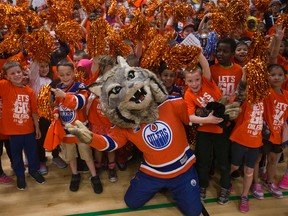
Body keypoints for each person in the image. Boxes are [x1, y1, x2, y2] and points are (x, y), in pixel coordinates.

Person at [66, 57, 202, 216]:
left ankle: (177, 187)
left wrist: (215, 111)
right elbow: (111, 143)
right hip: (154, 172)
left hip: (182, 169)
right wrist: (91, 138)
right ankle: (157, 185)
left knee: (194, 212)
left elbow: (193, 118)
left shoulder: (172, 103)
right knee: (131, 202)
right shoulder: (125, 124)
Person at [184, 53, 231, 205]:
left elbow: (204, 65)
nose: (194, 83)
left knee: (223, 161)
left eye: (197, 79)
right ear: (185, 81)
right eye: (190, 81)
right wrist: (207, 120)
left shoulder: (207, 82)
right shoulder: (188, 94)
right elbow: (190, 117)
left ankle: (225, 187)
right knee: (203, 162)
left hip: (221, 129)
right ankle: (202, 186)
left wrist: (198, 51)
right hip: (204, 130)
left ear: (201, 78)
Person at [51, 59, 101, 193]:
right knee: (71, 156)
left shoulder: (80, 86)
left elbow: (80, 103)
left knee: (87, 155)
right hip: (66, 130)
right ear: (58, 75)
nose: (65, 77)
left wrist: (65, 96)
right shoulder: (58, 89)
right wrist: (55, 113)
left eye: (68, 74)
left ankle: (94, 176)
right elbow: (56, 105)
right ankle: (74, 175)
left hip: (80, 129)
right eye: (62, 75)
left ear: (73, 73)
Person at [0, 61, 45, 190]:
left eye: (18, 72)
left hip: (28, 129)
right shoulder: (4, 86)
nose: (16, 75)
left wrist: (37, 127)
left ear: (23, 73)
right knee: (16, 155)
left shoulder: (29, 91)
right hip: (13, 132)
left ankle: (33, 171)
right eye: (12, 73)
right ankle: (20, 175)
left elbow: (34, 111)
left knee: (32, 153)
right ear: (7, 76)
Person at [229, 68, 265, 213]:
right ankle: (227, 182)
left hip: (255, 142)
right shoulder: (244, 97)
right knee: (234, 167)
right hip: (239, 140)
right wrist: (245, 75)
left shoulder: (265, 98)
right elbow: (241, 90)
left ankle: (244, 195)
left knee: (249, 170)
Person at [252, 64, 288, 200]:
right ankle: (256, 183)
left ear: (285, 78)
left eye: (280, 75)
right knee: (257, 159)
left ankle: (270, 182)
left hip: (278, 135)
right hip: (263, 134)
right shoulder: (265, 92)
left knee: (273, 160)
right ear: (266, 77)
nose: (276, 77)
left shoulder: (286, 96)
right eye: (272, 75)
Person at [29, 60, 67, 175]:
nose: (44, 69)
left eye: (46, 66)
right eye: (41, 66)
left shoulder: (52, 80)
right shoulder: (35, 80)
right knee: (40, 139)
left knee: (53, 135)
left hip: (52, 114)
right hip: (40, 116)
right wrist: (37, 55)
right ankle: (42, 160)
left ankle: (55, 156)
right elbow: (33, 70)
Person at [86, 55, 118, 184]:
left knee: (111, 147)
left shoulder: (117, 83)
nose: (111, 70)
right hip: (96, 120)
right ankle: (98, 166)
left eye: (113, 67)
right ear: (102, 68)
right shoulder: (95, 80)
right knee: (98, 147)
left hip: (110, 122)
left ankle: (111, 167)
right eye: (108, 68)